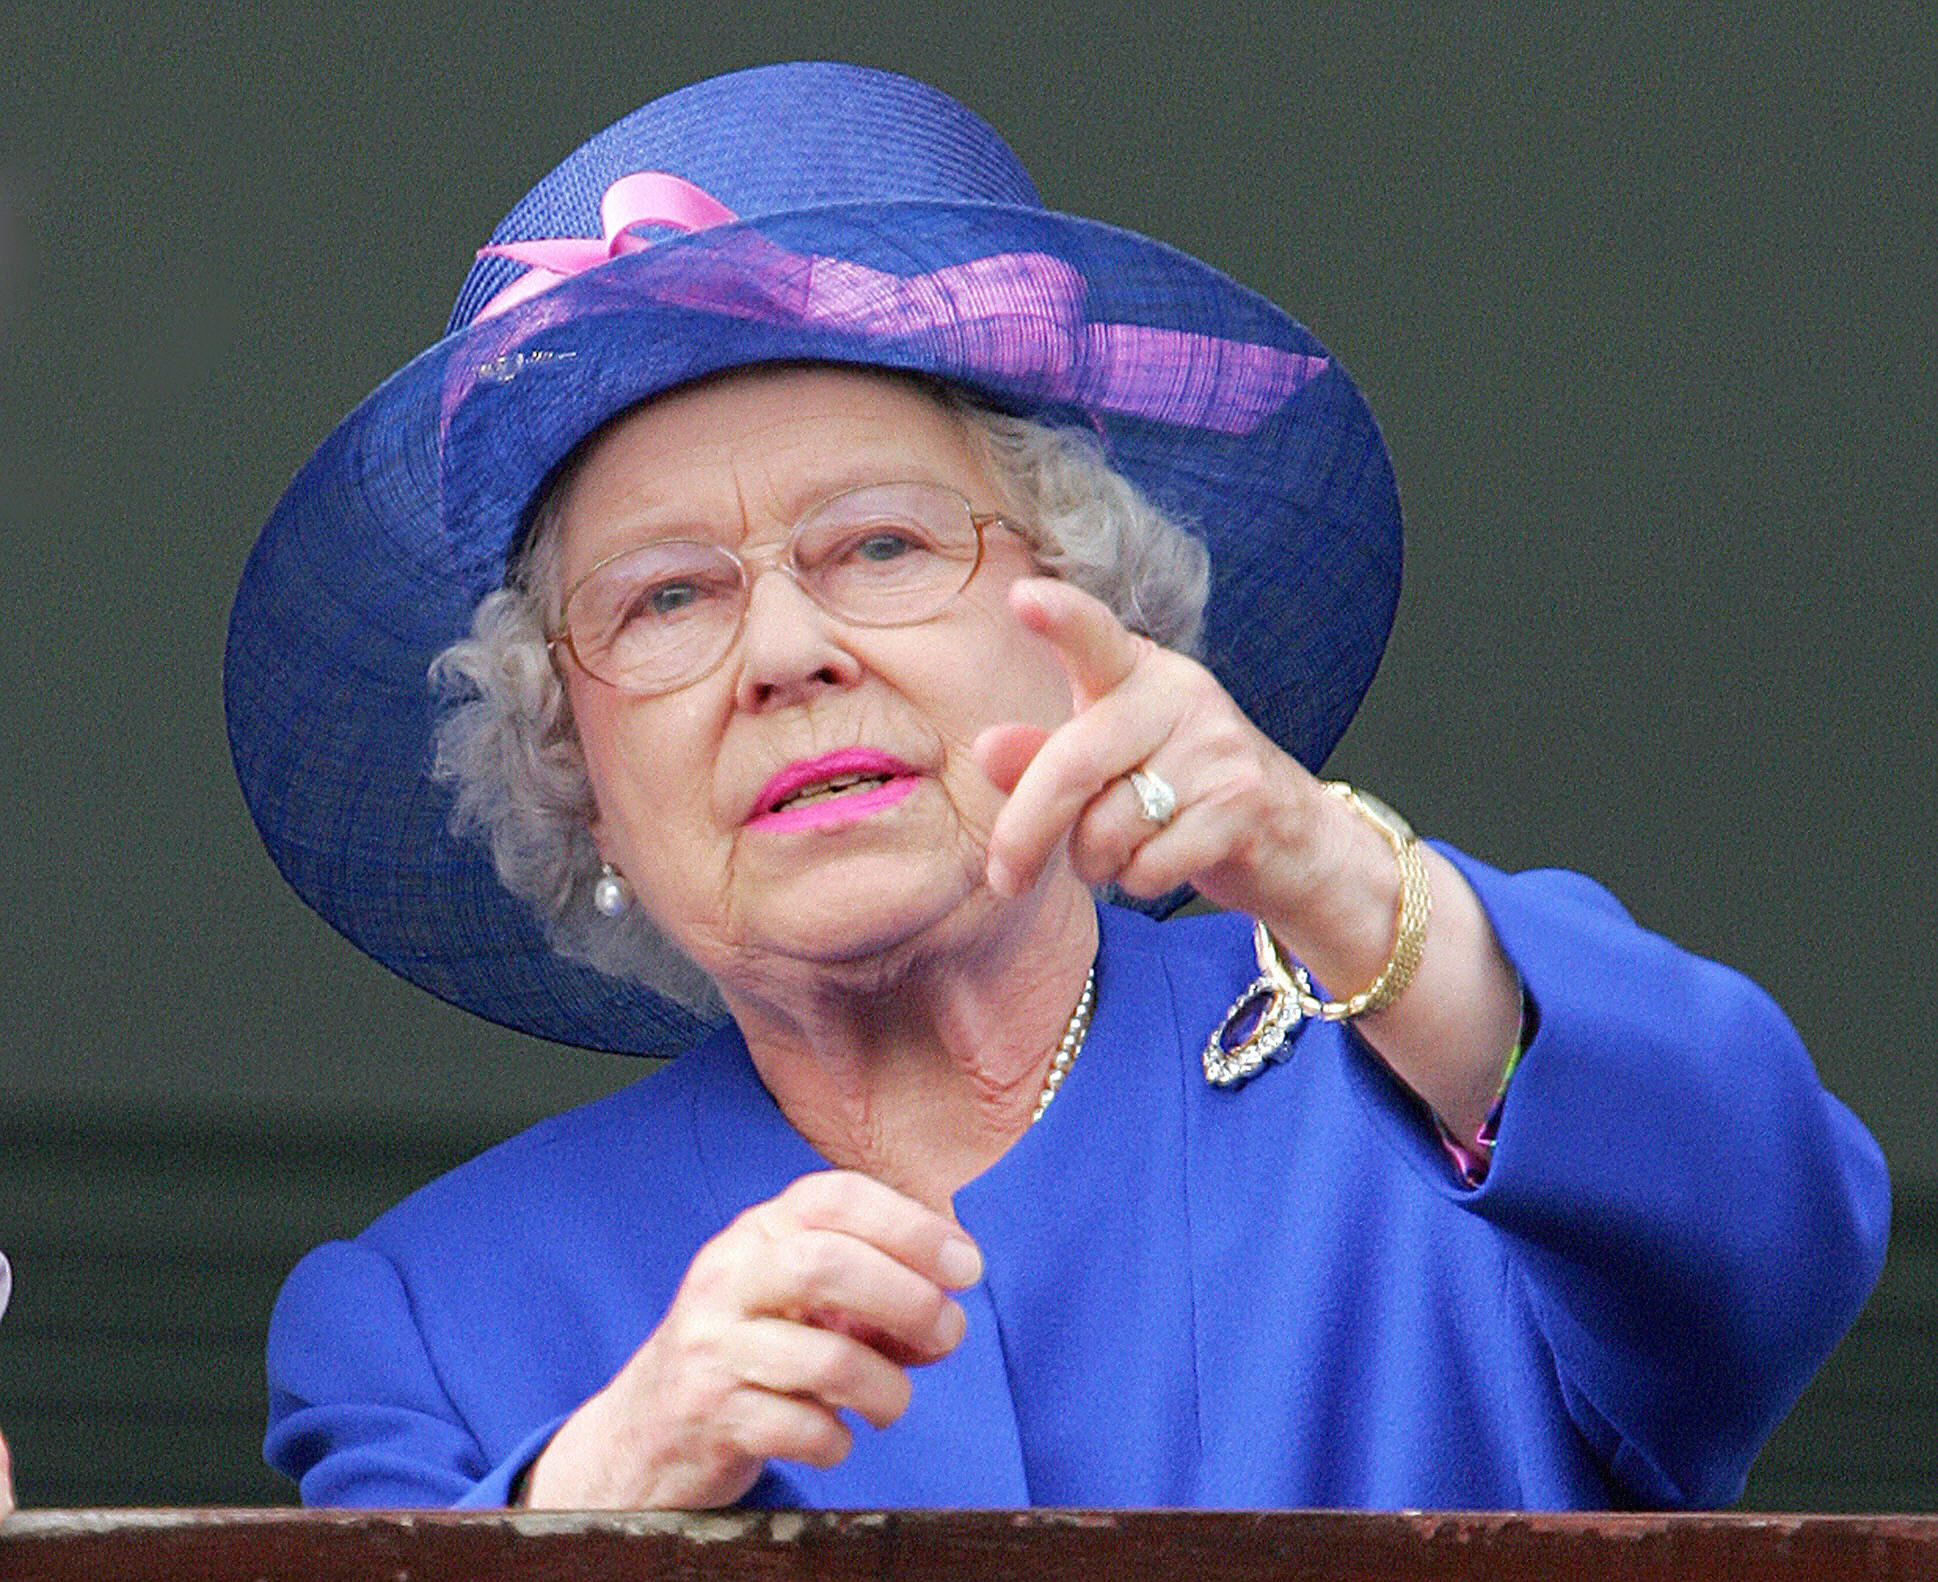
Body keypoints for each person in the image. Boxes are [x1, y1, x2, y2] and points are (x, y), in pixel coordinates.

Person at [228, 62, 1888, 1511]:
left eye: (877, 544)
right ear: (572, 766)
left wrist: (1331, 875)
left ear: (1087, 618)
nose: (783, 651)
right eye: (666, 598)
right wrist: (604, 1492)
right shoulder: (425, 1320)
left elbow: (1773, 1228)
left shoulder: (1404, 1073)